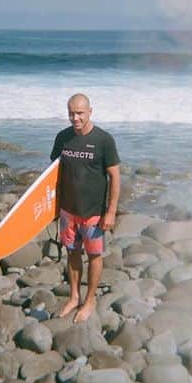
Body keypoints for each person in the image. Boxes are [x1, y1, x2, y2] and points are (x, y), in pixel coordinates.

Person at [50, 93, 120, 324]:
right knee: (71, 253)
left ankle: (90, 300)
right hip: (68, 211)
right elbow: (52, 175)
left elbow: (115, 177)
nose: (75, 118)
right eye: (71, 113)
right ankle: (73, 297)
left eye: (80, 113)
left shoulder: (103, 140)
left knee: (94, 256)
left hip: (93, 213)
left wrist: (110, 211)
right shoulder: (63, 138)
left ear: (90, 111)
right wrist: (51, 208)